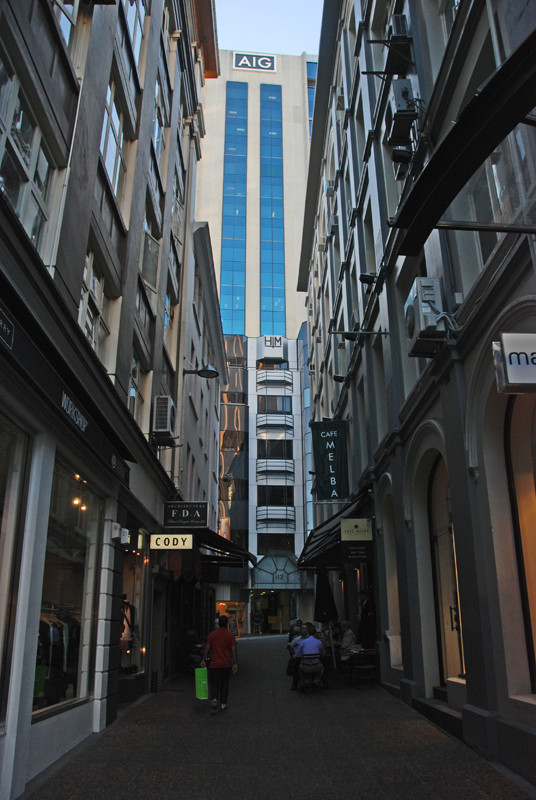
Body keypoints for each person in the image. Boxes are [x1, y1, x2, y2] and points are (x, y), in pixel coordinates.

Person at [200, 615, 238, 710]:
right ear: (227, 624)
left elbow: (207, 648)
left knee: (215, 682)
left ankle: (214, 699)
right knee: (225, 683)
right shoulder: (230, 636)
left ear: (218, 624)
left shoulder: (212, 635)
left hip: (214, 664)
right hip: (226, 664)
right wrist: (235, 663)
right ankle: (223, 703)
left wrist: (203, 659)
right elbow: (233, 650)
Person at [294, 624, 325, 690]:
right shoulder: (319, 642)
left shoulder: (303, 642)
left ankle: (306, 680)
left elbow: (297, 655)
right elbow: (323, 654)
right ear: (316, 634)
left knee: (299, 669)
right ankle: (316, 680)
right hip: (316, 665)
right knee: (322, 668)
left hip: (305, 666)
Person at [287, 623, 308, 690]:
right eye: (303, 629)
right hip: (299, 658)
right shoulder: (297, 639)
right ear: (300, 631)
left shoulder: (310, 639)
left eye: (306, 629)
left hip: (309, 657)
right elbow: (289, 646)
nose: (304, 630)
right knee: (295, 666)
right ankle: (295, 684)